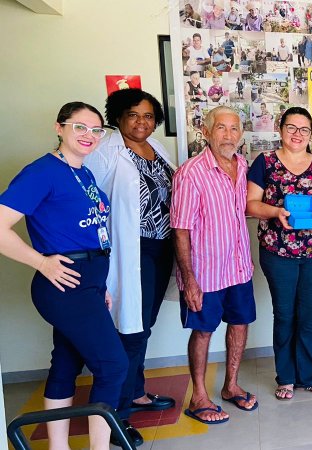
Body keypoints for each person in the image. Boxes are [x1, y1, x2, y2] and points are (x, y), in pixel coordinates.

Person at [0, 102, 127, 449]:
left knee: (67, 362)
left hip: (87, 283)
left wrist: (99, 285)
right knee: (114, 365)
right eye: (80, 127)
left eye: (96, 130)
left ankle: (59, 447)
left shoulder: (83, 172)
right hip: (64, 283)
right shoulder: (42, 172)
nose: (89, 135)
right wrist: (41, 263)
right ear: (59, 128)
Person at [83, 89, 176, 447]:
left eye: (149, 116)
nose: (142, 122)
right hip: (129, 249)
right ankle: (116, 414)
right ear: (118, 116)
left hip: (160, 246)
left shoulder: (157, 149)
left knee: (143, 324)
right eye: (134, 115)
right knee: (129, 330)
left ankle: (136, 392)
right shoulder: (106, 152)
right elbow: (91, 203)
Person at [246, 107, 312, 401]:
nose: (298, 134)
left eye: (304, 129)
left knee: (311, 317)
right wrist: (276, 212)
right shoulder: (265, 163)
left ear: (311, 134)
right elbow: (251, 205)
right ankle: (286, 377)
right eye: (292, 128)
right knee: (285, 315)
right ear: (280, 128)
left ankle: (311, 377)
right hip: (278, 252)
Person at [171, 106, 258, 424]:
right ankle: (198, 397)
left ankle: (231, 386)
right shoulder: (191, 172)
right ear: (205, 132)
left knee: (239, 324)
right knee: (204, 331)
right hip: (205, 273)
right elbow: (180, 229)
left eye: (234, 128)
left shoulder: (243, 165)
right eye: (221, 128)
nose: (228, 135)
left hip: (238, 268)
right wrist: (189, 279)